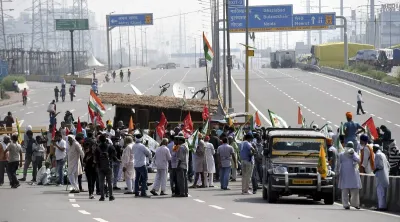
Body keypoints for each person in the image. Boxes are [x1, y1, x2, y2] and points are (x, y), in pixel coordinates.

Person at [337, 142, 362, 210]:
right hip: (352, 173)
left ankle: (346, 204)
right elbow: (359, 160)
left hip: (347, 173)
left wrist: (352, 154)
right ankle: (355, 204)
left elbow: (358, 160)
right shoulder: (343, 154)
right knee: (353, 190)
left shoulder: (351, 154)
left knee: (345, 190)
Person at [95, 134, 116, 201]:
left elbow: (95, 158)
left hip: (100, 167)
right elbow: (114, 155)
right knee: (110, 182)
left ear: (99, 140)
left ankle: (102, 196)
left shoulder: (97, 148)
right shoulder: (110, 147)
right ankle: (111, 196)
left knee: (101, 182)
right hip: (109, 166)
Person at [372, 144, 390, 211]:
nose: (373, 150)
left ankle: (381, 207)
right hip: (385, 175)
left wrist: (375, 170)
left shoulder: (378, 155)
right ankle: (383, 206)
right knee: (383, 193)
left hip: (380, 176)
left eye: (373, 148)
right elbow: (388, 165)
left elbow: (380, 166)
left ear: (375, 148)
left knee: (380, 192)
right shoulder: (383, 154)